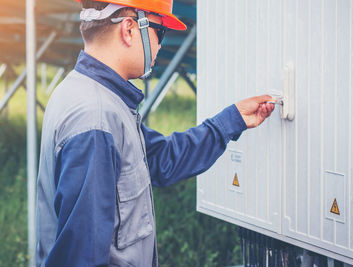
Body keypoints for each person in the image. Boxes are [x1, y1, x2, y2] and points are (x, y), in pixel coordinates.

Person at [35, 0, 276, 266]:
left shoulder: (90, 96)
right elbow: (83, 258)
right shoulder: (96, 117)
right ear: (129, 28)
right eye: (160, 31)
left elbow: (160, 159)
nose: (160, 44)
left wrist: (232, 120)